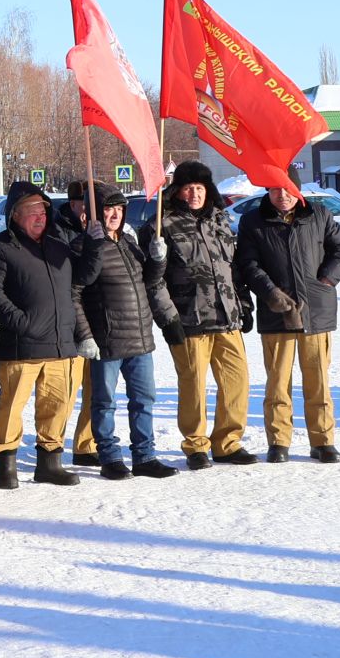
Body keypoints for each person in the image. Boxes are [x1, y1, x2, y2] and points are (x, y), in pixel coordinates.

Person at [0, 180, 100, 490]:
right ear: (15, 215)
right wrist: (18, 321)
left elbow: (83, 276)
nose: (40, 217)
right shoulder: (0, 247)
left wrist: (95, 245)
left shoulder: (58, 245)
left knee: (58, 405)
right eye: (32, 211)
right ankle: (6, 462)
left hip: (61, 344)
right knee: (11, 407)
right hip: (22, 345)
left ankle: (49, 462)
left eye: (43, 210)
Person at [234, 181, 340, 463]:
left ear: (297, 190)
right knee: (277, 382)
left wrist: (326, 279)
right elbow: (248, 264)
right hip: (277, 313)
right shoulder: (253, 221)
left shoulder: (319, 214)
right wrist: (270, 293)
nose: (282, 195)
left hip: (317, 312)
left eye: (288, 189)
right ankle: (278, 441)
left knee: (318, 383)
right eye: (276, 190)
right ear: (268, 192)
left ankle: (323, 441)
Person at [150, 162, 256, 467]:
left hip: (227, 319)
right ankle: (195, 445)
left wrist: (244, 305)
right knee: (193, 386)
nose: (194, 193)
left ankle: (227, 442)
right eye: (188, 187)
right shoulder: (163, 224)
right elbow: (154, 280)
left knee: (237, 383)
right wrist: (168, 319)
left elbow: (232, 269)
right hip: (189, 322)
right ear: (178, 190)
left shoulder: (219, 220)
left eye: (200, 187)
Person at [79, 184, 182, 480]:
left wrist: (158, 259)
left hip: (139, 337)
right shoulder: (82, 245)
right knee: (104, 402)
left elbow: (147, 280)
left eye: (119, 209)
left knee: (144, 399)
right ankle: (110, 456)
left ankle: (145, 456)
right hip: (107, 339)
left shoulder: (127, 241)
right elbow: (78, 288)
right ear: (94, 214)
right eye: (108, 209)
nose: (114, 214)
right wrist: (85, 334)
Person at [55, 184, 103, 466]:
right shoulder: (58, 232)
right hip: (69, 321)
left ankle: (86, 444)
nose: (86, 209)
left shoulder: (100, 231)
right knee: (66, 391)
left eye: (91, 204)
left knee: (95, 389)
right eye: (81, 203)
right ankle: (52, 444)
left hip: (98, 319)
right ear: (72, 204)